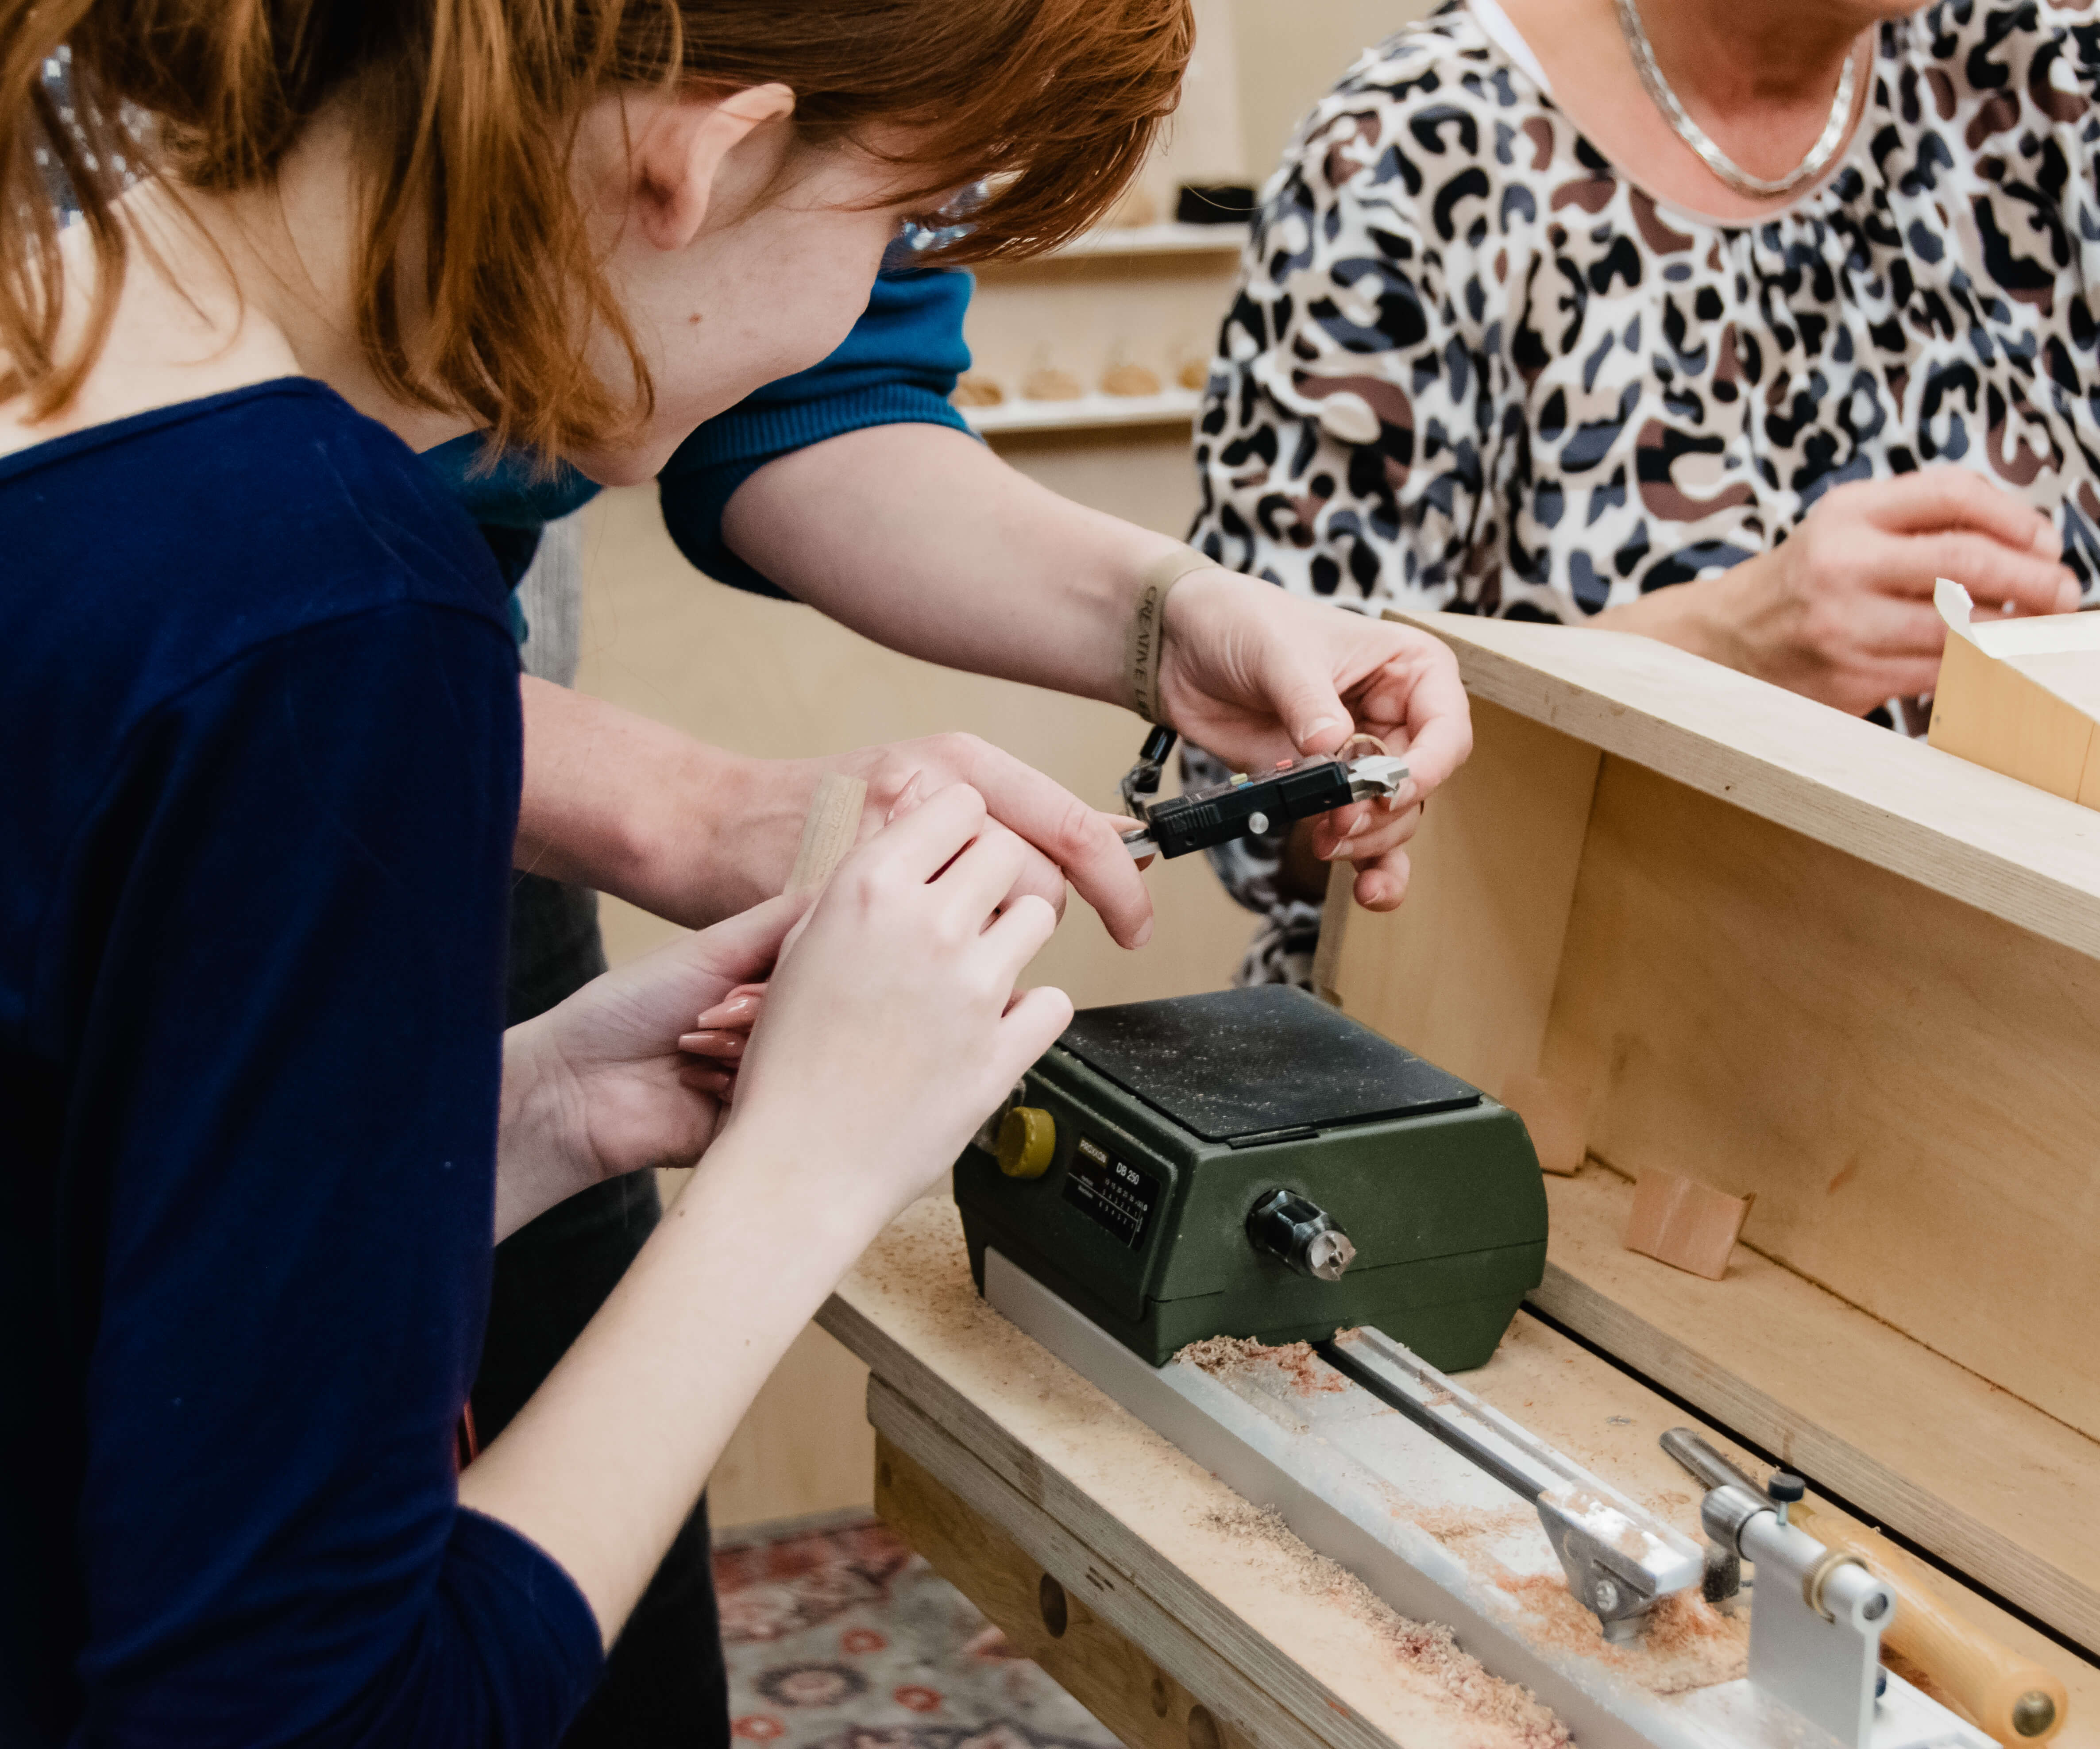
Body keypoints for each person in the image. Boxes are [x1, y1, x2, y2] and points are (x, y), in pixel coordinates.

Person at [0, 2, 1473, 1743]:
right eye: (896, 224)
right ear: (700, 158)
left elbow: (94, 1283)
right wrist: (807, 1174)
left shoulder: (102, 420)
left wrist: (541, 1107)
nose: (866, 299)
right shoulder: (337, 627)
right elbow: (312, 1711)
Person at [1183, 0, 2100, 984]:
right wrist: (1713, 652)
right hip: (1565, 1030)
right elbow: (1273, 796)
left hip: (2039, 1003)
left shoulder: (2046, 60)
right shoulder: (1413, 156)